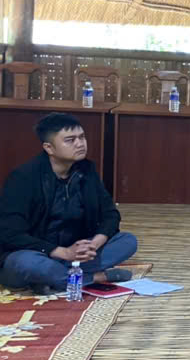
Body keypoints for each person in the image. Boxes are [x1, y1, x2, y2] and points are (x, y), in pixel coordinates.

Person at [0, 112, 149, 291]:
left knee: (127, 241)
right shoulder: (24, 178)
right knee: (26, 263)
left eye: (82, 137)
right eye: (70, 140)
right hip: (35, 253)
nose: (80, 144)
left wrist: (93, 245)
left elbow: (110, 214)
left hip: (75, 255)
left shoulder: (86, 170)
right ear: (49, 148)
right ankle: (96, 277)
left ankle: (56, 279)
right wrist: (62, 252)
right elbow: (10, 233)